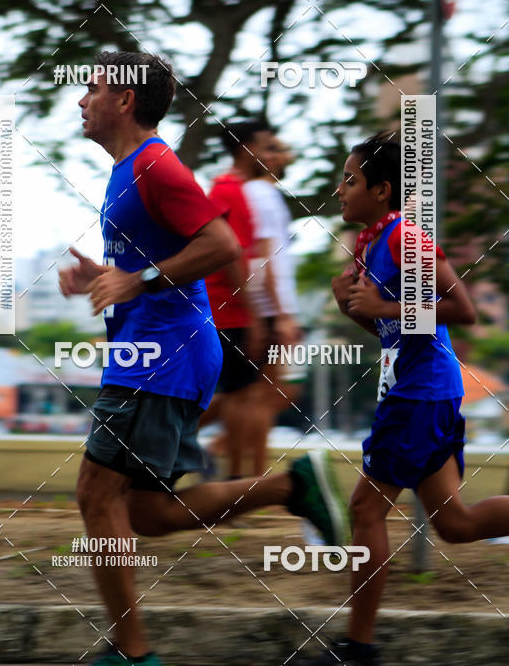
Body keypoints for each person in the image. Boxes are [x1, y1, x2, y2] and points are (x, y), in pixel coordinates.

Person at [59, 50, 346, 666]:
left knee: (95, 495)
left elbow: (219, 244)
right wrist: (106, 276)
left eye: (93, 89)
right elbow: (159, 261)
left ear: (125, 99)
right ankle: (288, 485)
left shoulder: (156, 164)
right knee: (148, 512)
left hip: (161, 356)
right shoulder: (128, 169)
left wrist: (140, 284)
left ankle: (132, 656)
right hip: (161, 353)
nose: (81, 100)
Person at [314, 132, 509, 666]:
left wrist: (381, 303)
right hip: (422, 392)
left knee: (364, 509)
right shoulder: (370, 243)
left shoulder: (406, 238)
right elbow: (387, 325)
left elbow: (461, 308)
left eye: (350, 179)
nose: (340, 190)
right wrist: (355, 307)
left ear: (381, 190)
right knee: (456, 523)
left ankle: (358, 648)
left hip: (421, 395)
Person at [201, 119, 276, 479]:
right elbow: (233, 256)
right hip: (228, 310)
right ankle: (234, 481)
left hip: (234, 308)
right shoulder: (229, 189)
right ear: (246, 148)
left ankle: (233, 477)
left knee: (243, 394)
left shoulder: (236, 189)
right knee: (240, 396)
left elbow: (252, 255)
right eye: (265, 146)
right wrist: (255, 313)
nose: (269, 155)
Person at [240, 138, 304, 475]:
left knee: (271, 391)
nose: (281, 155)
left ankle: (233, 462)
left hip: (271, 307)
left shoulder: (266, 194)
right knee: (265, 395)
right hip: (269, 309)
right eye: (270, 149)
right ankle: (252, 477)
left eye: (282, 148)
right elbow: (264, 257)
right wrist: (279, 315)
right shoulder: (260, 193)